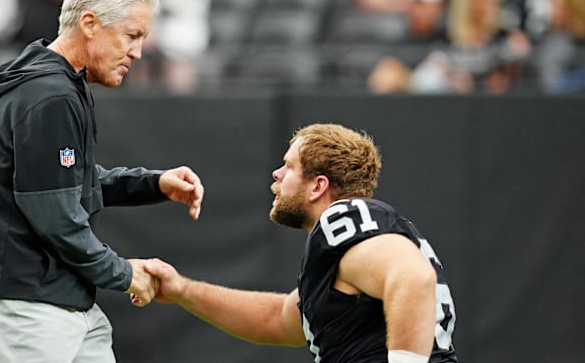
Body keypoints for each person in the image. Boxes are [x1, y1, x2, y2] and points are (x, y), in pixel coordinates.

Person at [0, 0, 205, 363]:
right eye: (131, 36)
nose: (137, 52)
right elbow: (56, 214)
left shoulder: (55, 85)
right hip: (26, 302)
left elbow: (66, 183)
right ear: (89, 24)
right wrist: (122, 272)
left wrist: (154, 184)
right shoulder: (49, 94)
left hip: (53, 295)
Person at [143, 123, 457, 363]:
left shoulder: (344, 216)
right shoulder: (354, 250)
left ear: (318, 186)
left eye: (289, 166)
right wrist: (183, 289)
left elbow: (415, 279)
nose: (277, 174)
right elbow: (277, 319)